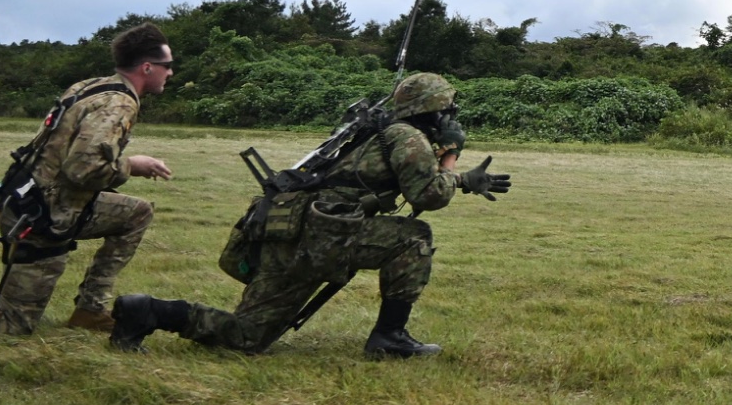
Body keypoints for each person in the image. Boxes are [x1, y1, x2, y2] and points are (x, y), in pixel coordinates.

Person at [110, 72, 510, 359]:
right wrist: (454, 163)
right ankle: (390, 335)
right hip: (321, 237)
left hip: (295, 231)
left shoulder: (378, 134)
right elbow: (429, 195)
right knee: (414, 236)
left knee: (248, 337)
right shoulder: (407, 137)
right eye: (449, 111)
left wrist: (448, 165)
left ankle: (147, 310)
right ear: (436, 111)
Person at [0, 24, 177, 336]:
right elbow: (81, 168)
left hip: (29, 199)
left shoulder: (91, 87)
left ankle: (90, 310)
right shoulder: (120, 103)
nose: (170, 73)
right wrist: (132, 165)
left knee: (137, 213)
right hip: (44, 216)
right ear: (148, 67)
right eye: (167, 66)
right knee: (13, 322)